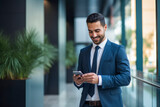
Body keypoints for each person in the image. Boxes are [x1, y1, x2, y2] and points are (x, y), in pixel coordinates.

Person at [73, 13, 131, 107]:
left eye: (97, 31)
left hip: (109, 104)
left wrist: (99, 79)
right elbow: (81, 79)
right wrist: (78, 82)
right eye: (90, 31)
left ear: (105, 27)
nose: (94, 35)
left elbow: (126, 78)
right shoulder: (83, 52)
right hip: (86, 104)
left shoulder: (117, 50)